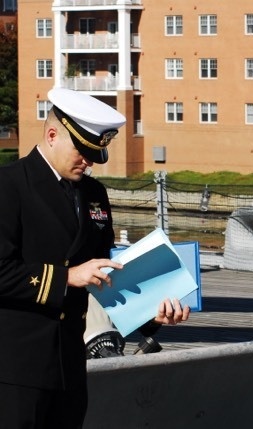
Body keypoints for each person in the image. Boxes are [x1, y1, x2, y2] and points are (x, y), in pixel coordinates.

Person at [0, 88, 189, 428]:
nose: (88, 162)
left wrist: (153, 313)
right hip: (16, 368)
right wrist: (67, 277)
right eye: (82, 151)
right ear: (53, 135)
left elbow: (105, 275)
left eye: (95, 153)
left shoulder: (94, 194)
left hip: (70, 366)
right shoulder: (9, 186)